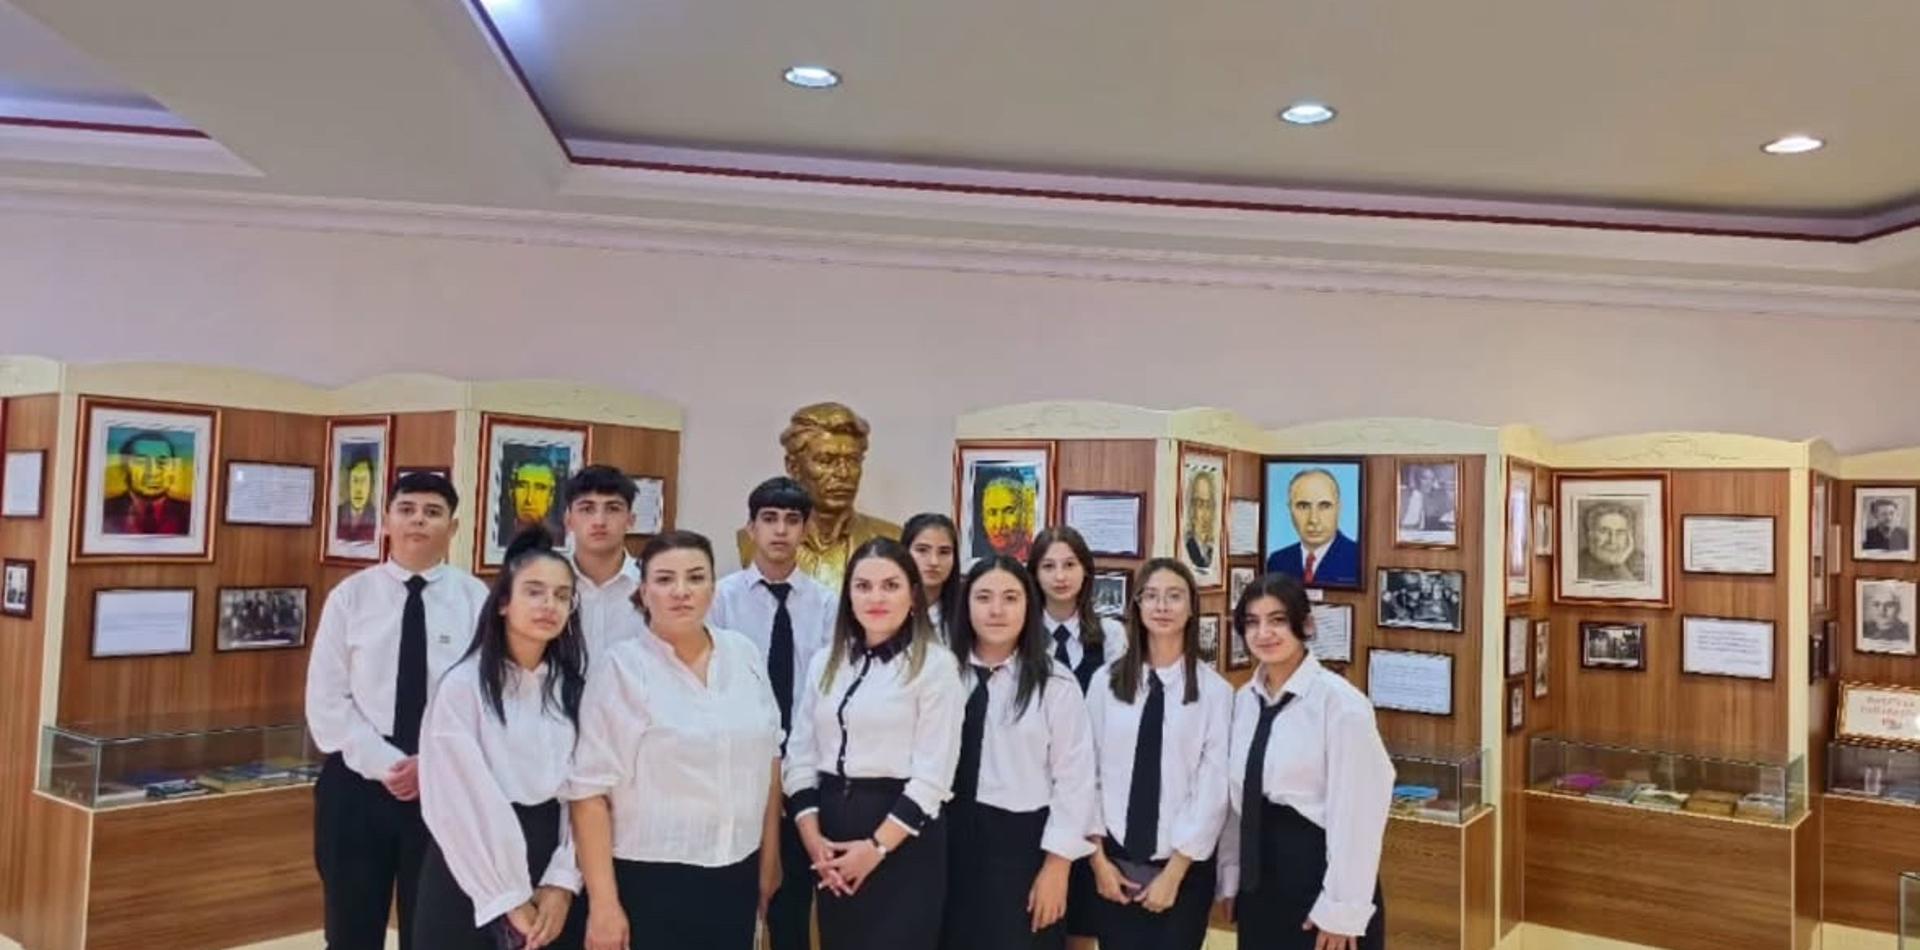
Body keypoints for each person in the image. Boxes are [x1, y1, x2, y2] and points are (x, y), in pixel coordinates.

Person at [568, 530, 784, 950]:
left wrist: (769, 857)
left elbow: (769, 758)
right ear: (643, 592)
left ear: (713, 588)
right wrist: (603, 903)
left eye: (696, 577)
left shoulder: (744, 654)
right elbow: (588, 793)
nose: (681, 591)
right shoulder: (621, 669)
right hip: (650, 877)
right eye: (665, 579)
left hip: (737, 870)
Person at [306, 472, 490, 950]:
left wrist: (430, 765)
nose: (418, 521)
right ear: (386, 522)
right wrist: (389, 765)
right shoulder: (350, 597)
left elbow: (486, 700)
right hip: (357, 783)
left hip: (445, 785)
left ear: (453, 527)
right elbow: (326, 702)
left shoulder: (477, 600)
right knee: (350, 931)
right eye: (406, 510)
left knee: (432, 932)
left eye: (433, 512)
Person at [784, 538, 965, 950]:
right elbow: (800, 756)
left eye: (890, 585)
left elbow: (933, 777)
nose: (876, 597)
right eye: (863, 586)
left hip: (902, 837)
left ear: (913, 596)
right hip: (829, 833)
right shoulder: (825, 661)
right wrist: (814, 842)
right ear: (848, 596)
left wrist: (876, 848)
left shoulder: (936, 666)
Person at [415, 527, 588, 950]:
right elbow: (457, 800)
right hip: (472, 865)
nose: (548, 605)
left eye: (561, 596)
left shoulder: (574, 689)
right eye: (534, 591)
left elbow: (588, 792)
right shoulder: (463, 686)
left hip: (552, 864)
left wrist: (562, 881)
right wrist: (508, 896)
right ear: (503, 603)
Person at [1216, 573, 1392, 950]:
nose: (1264, 633)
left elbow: (1359, 816)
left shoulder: (1341, 705)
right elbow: (1236, 801)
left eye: (1277, 620)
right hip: (1260, 883)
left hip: (1319, 879)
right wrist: (1233, 876)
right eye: (1252, 622)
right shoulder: (1244, 701)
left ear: (1306, 624)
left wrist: (1341, 910)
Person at [941, 556, 1097, 950]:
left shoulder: (1055, 684)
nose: (996, 610)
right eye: (983, 597)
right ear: (965, 605)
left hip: (1021, 848)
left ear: (1029, 605)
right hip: (944, 842)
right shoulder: (940, 673)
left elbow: (1075, 782)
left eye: (1010, 597)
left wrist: (1057, 867)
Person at [710, 476, 839, 950]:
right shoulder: (720, 599)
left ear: (805, 529)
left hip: (804, 769)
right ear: (751, 528)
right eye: (769, 519)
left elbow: (828, 693)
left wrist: (797, 764)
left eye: (791, 520)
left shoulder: (828, 604)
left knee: (793, 911)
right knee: (733, 903)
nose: (780, 531)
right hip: (739, 767)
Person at [1085, 559, 1232, 950]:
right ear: (1136, 606)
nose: (1162, 606)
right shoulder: (1105, 683)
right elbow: (1086, 773)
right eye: (1151, 596)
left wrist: (1174, 874)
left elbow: (1212, 789)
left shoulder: (1216, 693)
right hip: (1113, 864)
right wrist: (1098, 861)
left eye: (1174, 596)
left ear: (1191, 607)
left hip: (1182, 869)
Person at [1026, 526, 1126, 950]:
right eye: (1048, 566)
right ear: (1034, 574)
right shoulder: (1021, 632)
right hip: (1037, 787)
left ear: (1086, 571)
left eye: (1069, 565)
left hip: (1094, 790)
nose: (1060, 576)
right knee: (1040, 916)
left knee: (1084, 921)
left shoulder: (1111, 634)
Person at [735, 403, 902, 591]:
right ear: (793, 467)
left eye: (852, 460)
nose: (843, 473)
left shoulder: (893, 539)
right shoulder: (755, 539)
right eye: (825, 461)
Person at [561, 465, 649, 657]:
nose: (599, 521)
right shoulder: (551, 583)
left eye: (613, 509)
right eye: (587, 509)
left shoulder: (651, 584)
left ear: (631, 520)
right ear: (568, 520)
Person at [1264, 470, 1358, 588]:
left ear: (1339, 508)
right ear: (1290, 508)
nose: (1313, 519)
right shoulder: (1277, 562)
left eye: (1324, 506)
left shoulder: (1359, 558)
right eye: (1303, 506)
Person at [102, 429, 192, 536]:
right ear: (124, 467)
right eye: (141, 462)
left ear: (173, 469)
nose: (152, 472)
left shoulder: (191, 513)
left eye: (162, 462)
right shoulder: (103, 510)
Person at [903, 512, 963, 638]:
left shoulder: (967, 613)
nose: (934, 562)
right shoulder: (885, 607)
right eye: (922, 550)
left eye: (944, 552)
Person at [1576, 502, 1643, 582]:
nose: (1612, 540)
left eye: (1620, 532)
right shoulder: (1577, 563)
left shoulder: (1641, 562)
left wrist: (1618, 565)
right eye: (1604, 531)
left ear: (1629, 536)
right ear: (1591, 534)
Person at [979, 475, 1037, 560]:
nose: (999, 524)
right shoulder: (980, 556)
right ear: (984, 519)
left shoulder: (1035, 555)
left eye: (1009, 512)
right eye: (992, 513)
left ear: (1024, 516)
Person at [510, 458, 561, 537]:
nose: (529, 499)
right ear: (511, 492)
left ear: (551, 497)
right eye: (522, 486)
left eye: (540, 488)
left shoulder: (559, 538)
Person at [336, 452, 379, 544]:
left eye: (363, 481)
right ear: (348, 483)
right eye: (355, 480)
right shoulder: (336, 513)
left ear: (371, 485)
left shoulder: (377, 516)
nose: (359, 489)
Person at [1398, 466, 1454, 534]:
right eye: (1425, 478)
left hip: (1427, 534)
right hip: (1404, 531)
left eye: (1432, 479)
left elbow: (1447, 516)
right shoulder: (1405, 495)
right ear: (1417, 479)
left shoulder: (1438, 496)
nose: (1429, 483)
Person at [1183, 470, 1219, 573]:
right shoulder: (1189, 544)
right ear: (1191, 508)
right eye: (1200, 504)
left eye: (1208, 505)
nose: (1205, 514)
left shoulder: (1211, 548)